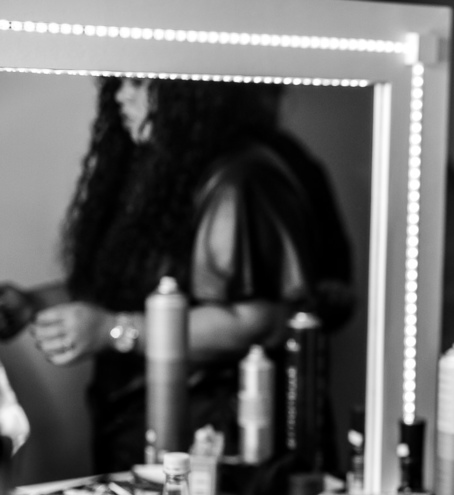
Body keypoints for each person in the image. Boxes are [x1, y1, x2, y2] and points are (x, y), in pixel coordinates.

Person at [0, 77, 353, 473]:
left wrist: (115, 330)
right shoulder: (154, 167)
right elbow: (126, 285)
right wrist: (32, 303)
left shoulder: (241, 178)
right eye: (117, 82)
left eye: (138, 82)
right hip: (133, 434)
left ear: (187, 92)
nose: (121, 95)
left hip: (215, 448)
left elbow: (256, 320)